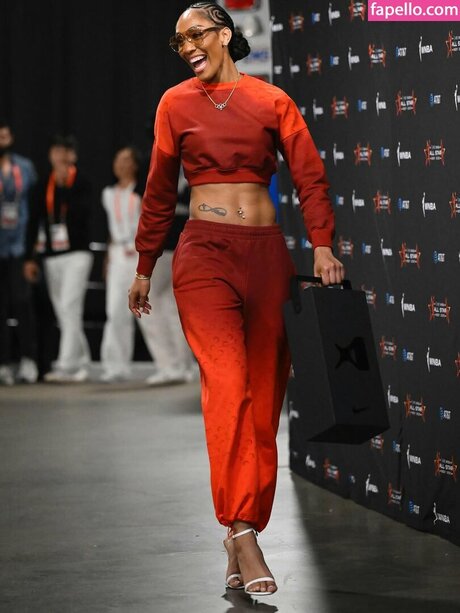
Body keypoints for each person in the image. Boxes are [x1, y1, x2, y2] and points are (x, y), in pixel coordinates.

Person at [128, 1, 344, 596]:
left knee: (265, 398)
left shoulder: (272, 101)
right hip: (203, 256)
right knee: (227, 385)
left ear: (224, 34)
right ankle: (243, 532)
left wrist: (322, 244)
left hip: (267, 258)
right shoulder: (174, 104)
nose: (186, 47)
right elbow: (157, 190)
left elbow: (310, 177)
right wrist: (145, 264)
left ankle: (239, 529)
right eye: (178, 42)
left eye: (194, 35)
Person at [100, 147, 195, 383]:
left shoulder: (147, 185)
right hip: (160, 248)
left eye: (127, 160)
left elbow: (154, 220)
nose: (122, 165)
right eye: (118, 160)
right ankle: (180, 365)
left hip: (155, 251)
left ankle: (172, 366)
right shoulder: (111, 193)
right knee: (166, 307)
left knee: (151, 307)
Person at [24, 136, 93, 383]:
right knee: (63, 311)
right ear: (51, 155)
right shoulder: (42, 185)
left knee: (70, 305)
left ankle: (66, 364)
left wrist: (65, 189)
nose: (62, 156)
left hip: (77, 253)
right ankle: (81, 361)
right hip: (51, 255)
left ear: (73, 155)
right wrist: (29, 258)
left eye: (66, 151)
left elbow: (83, 216)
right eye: (57, 151)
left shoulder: (82, 183)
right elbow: (33, 223)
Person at [0, 120, 38, 385]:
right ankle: (3, 363)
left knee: (22, 302)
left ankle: (28, 359)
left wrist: (32, 252)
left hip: (20, 245)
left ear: (11, 138)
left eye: (4, 135)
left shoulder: (24, 167)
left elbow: (34, 209)